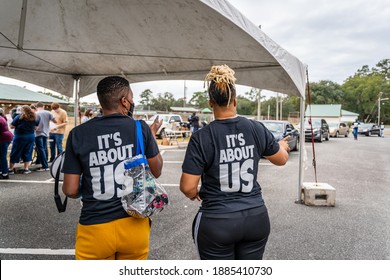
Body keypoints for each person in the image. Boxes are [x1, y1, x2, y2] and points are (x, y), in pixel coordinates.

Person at [179, 65, 290, 260]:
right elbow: (281, 160)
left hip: (217, 221)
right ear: (235, 101)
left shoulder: (202, 137)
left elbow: (188, 187)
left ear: (211, 102)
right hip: (256, 218)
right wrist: (281, 147)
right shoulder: (256, 128)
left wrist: (194, 193)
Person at [62, 76, 163, 260]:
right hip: (135, 223)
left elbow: (70, 189)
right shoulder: (139, 128)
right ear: (124, 101)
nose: (133, 102)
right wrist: (151, 135)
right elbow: (156, 170)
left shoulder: (78, 134)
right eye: (131, 98)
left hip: (94, 226)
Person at [8, 105, 39, 174]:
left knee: (15, 152)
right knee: (28, 152)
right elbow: (36, 128)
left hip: (20, 136)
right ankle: (26, 169)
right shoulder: (34, 117)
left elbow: (12, 126)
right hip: (30, 136)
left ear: (23, 110)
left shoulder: (19, 117)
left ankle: (11, 169)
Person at [34, 102, 56, 171]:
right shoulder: (48, 113)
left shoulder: (36, 114)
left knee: (41, 149)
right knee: (44, 148)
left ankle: (45, 165)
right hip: (46, 133)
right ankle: (45, 162)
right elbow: (55, 121)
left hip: (38, 133)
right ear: (43, 106)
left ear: (36, 107)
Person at [0, 108, 14, 179]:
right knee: (2, 156)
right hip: (6, 137)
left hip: (3, 138)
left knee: (2, 156)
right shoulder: (2, 118)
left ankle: (5, 173)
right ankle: (2, 172)